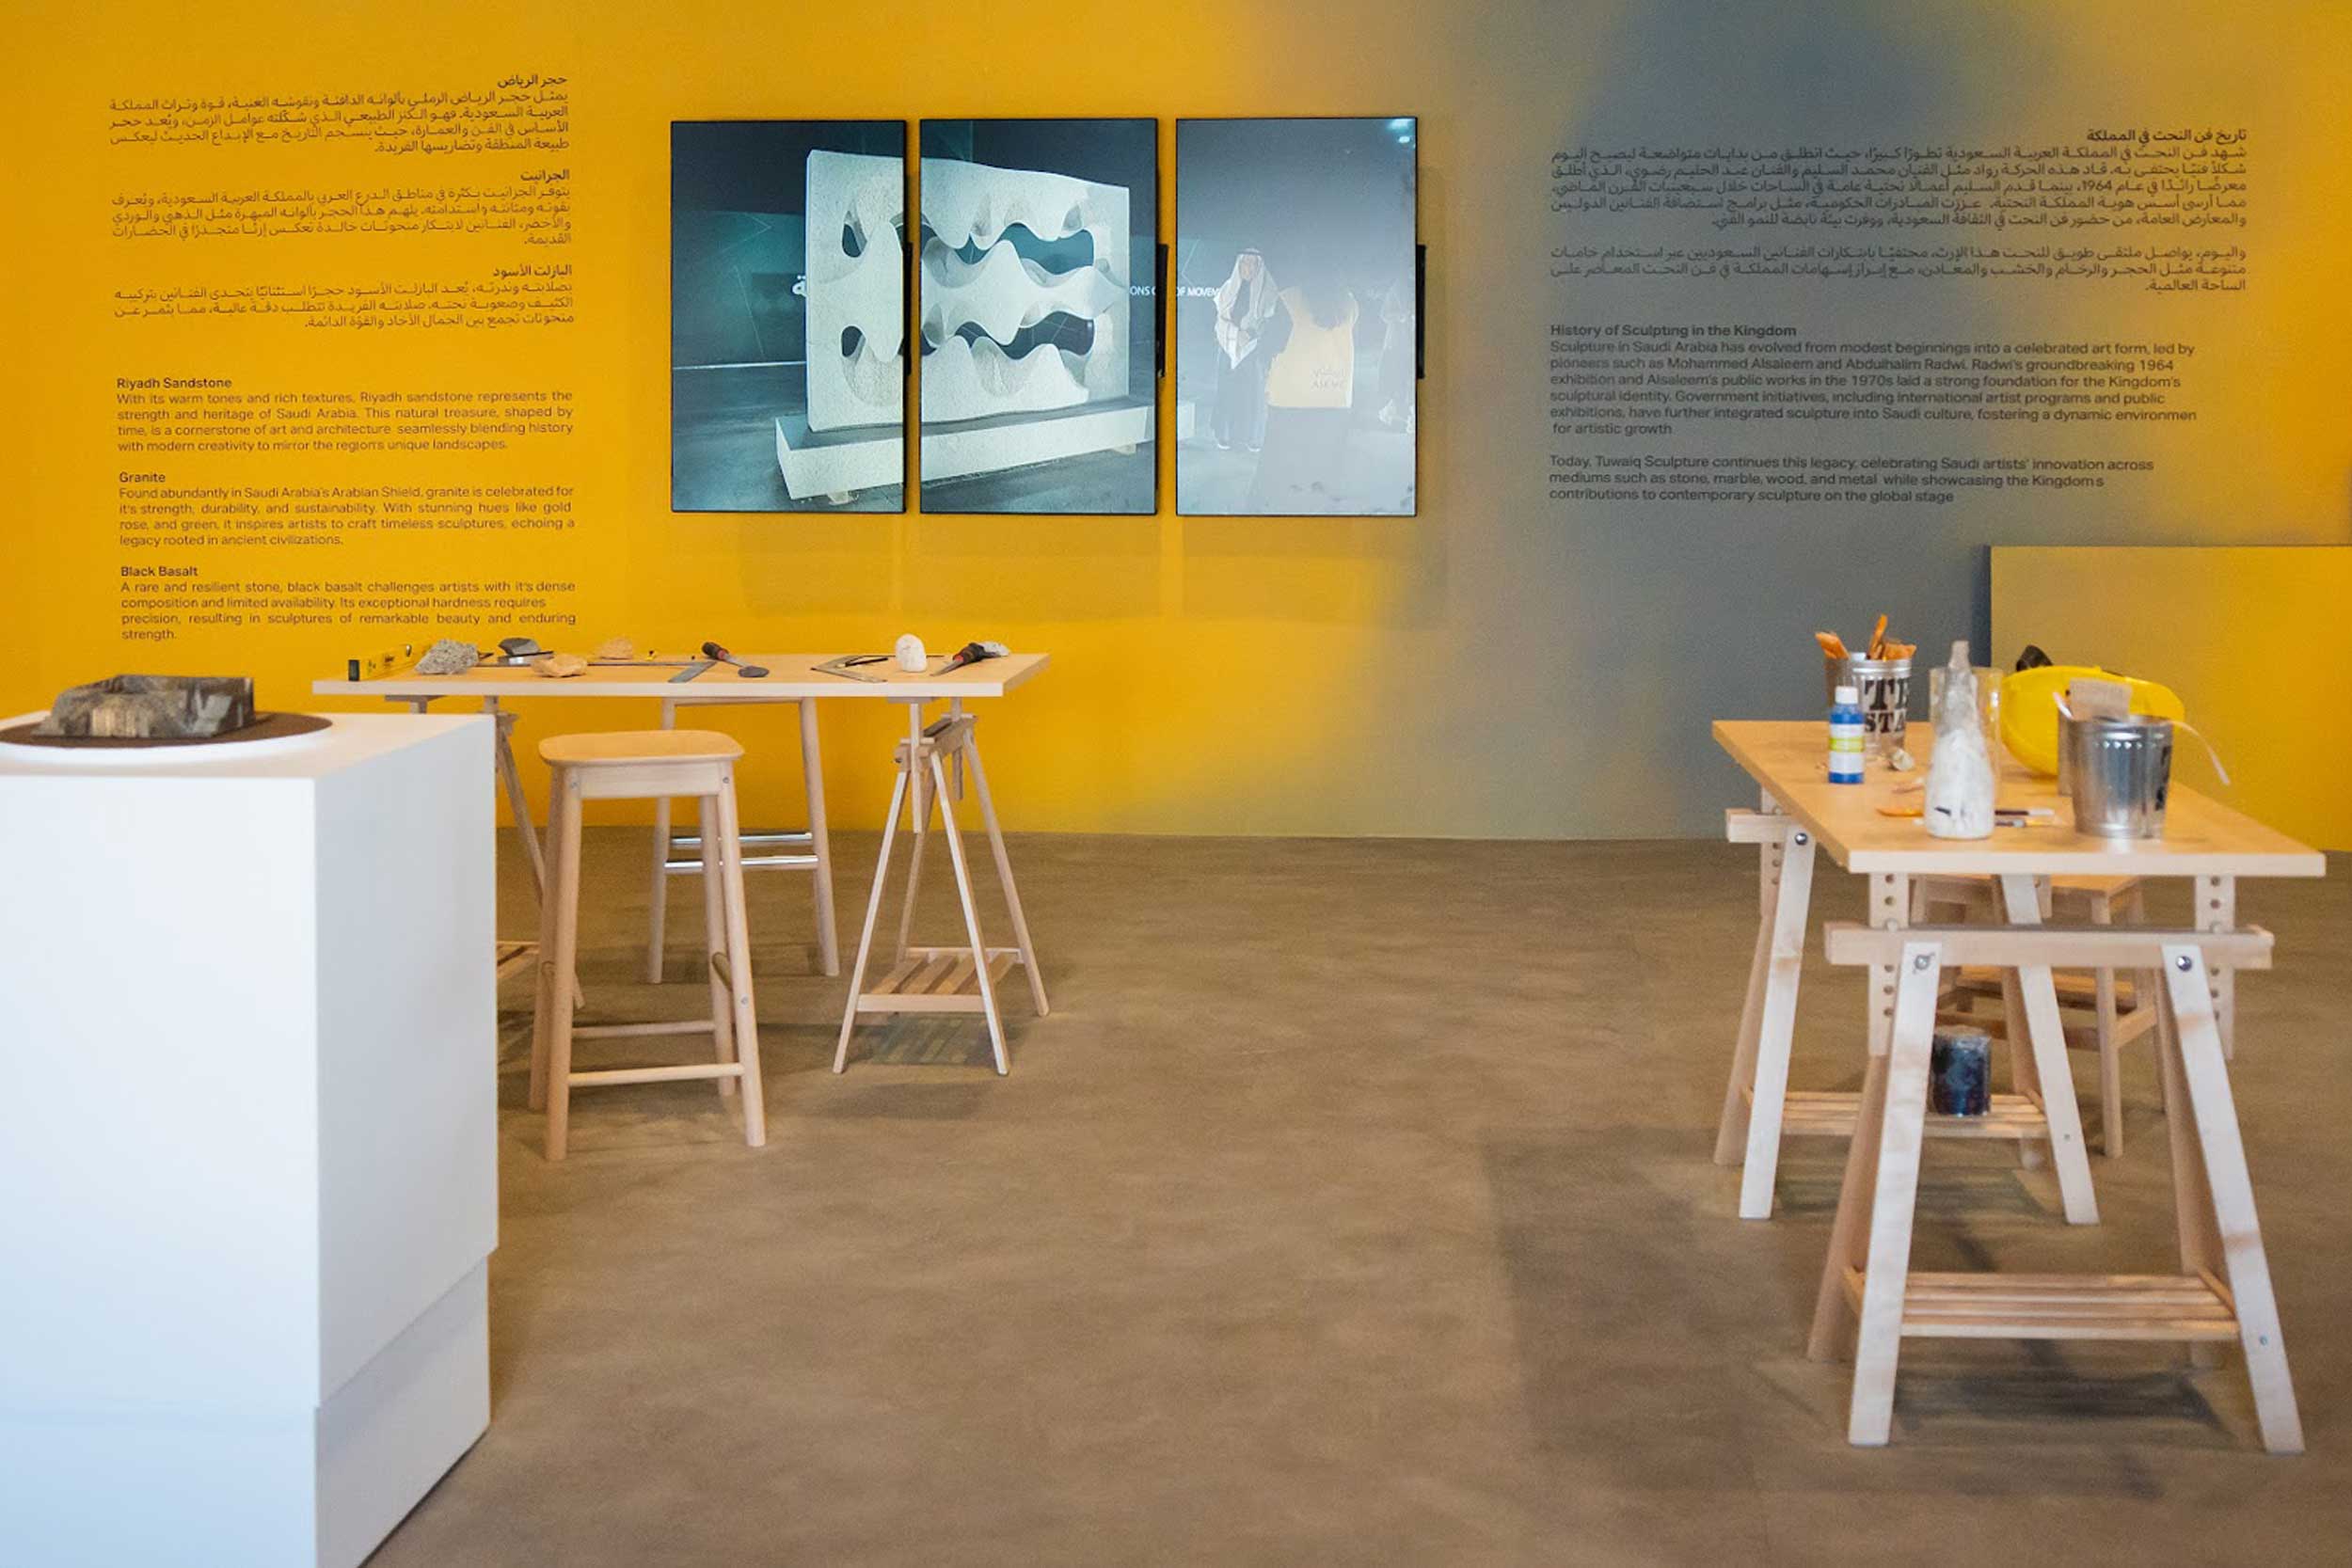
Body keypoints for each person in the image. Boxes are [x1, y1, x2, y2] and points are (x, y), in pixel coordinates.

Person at [1247, 267, 1358, 511]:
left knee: (1276, 468)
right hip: (1335, 399)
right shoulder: (1349, 302)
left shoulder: (1290, 298)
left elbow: (1269, 347)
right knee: (1325, 468)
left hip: (1290, 399)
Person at [1210, 248, 1276, 451]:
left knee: (1253, 394)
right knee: (1226, 391)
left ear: (1259, 266)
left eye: (1252, 263)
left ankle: (1252, 437)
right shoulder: (1228, 288)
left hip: (1253, 351)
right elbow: (1220, 320)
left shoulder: (1268, 291)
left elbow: (1269, 322)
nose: (1248, 268)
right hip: (1228, 347)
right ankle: (1224, 434)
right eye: (1244, 263)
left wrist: (1252, 335)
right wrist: (1235, 334)